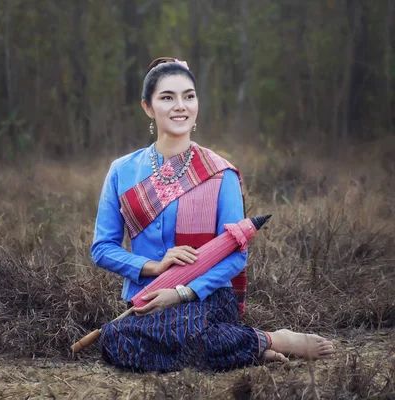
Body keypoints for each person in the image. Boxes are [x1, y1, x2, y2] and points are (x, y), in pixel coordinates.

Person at [91, 57, 335, 372]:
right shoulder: (122, 171)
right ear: (148, 107)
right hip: (145, 301)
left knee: (187, 331)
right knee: (114, 341)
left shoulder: (220, 173)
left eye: (188, 96)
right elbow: (102, 248)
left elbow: (236, 257)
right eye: (167, 97)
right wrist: (154, 266)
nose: (180, 106)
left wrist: (180, 293)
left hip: (205, 296)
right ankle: (251, 347)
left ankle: (275, 339)